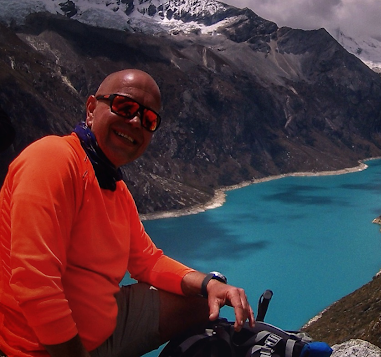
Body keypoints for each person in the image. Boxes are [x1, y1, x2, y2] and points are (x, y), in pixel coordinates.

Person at [0, 69, 255, 357]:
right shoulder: (52, 159)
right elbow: (36, 282)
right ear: (91, 109)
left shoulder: (116, 189)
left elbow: (147, 261)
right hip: (44, 348)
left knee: (200, 304)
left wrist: (209, 284)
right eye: (124, 107)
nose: (135, 122)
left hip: (100, 330)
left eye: (148, 120)